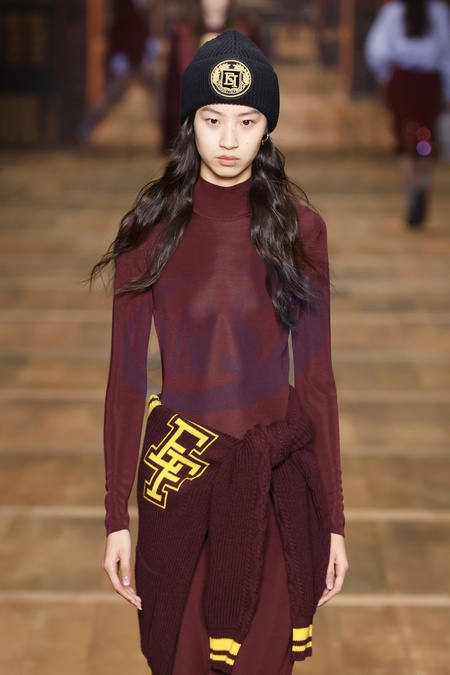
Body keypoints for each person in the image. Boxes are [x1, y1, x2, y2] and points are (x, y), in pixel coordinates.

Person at [92, 30, 348, 675]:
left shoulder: (301, 231)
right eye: (212, 120)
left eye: (247, 121)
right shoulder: (150, 229)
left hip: (273, 491)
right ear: (189, 122)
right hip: (178, 485)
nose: (229, 139)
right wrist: (115, 516)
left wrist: (335, 520)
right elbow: (125, 381)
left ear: (268, 127)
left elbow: (317, 382)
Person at [365, 0, 450, 227]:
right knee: (426, 139)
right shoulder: (438, 11)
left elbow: (377, 50)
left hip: (402, 82)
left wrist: (387, 78)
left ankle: (412, 193)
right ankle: (423, 183)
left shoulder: (392, 12)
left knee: (405, 141)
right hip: (429, 82)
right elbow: (446, 53)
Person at [160, 0, 265, 153]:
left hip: (237, 118)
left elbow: (260, 79)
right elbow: (173, 85)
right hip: (193, 118)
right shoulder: (183, 30)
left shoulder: (247, 29)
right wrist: (171, 133)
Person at [77, 0, 160, 143]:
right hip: (126, 59)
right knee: (111, 95)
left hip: (133, 58)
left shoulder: (137, 5)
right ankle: (84, 128)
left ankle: (84, 128)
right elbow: (127, 34)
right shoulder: (126, 5)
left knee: (157, 89)